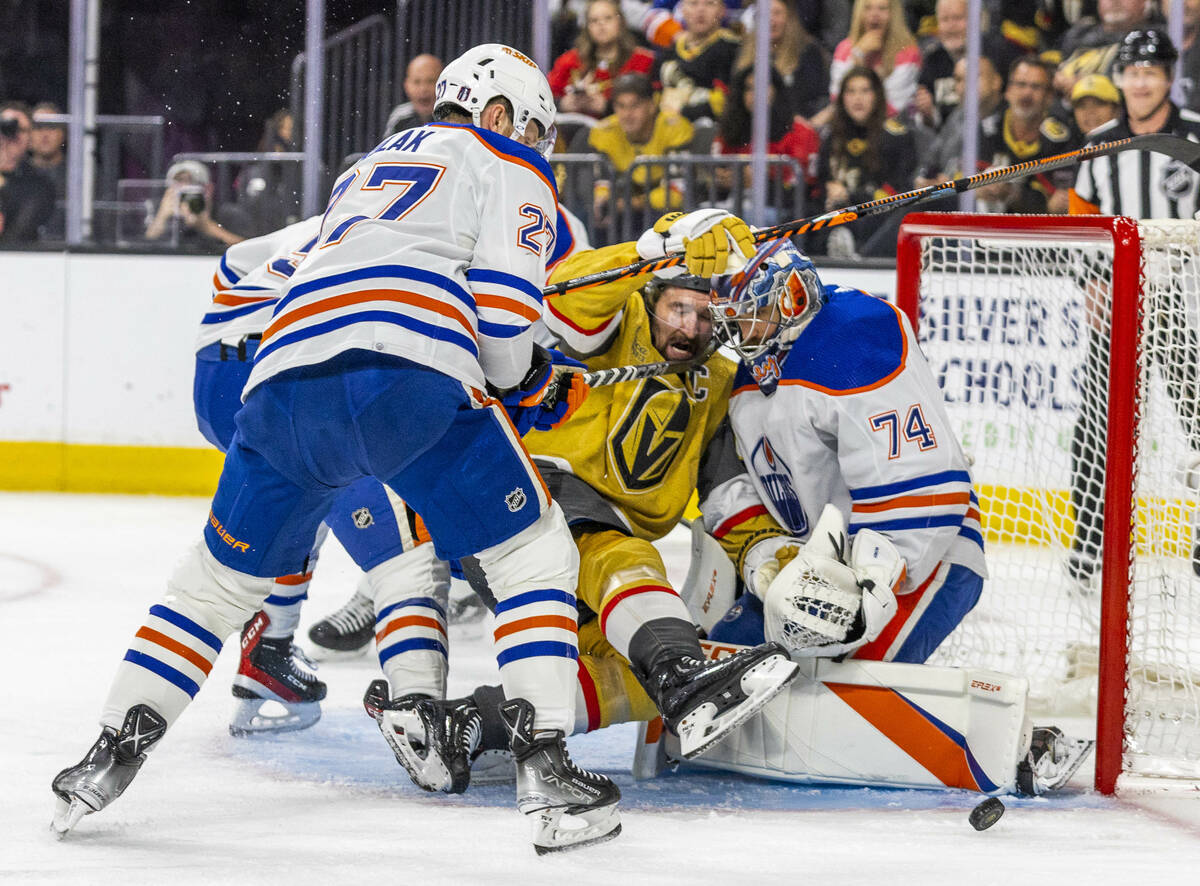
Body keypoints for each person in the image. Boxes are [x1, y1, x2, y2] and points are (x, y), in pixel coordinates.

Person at [51, 43, 622, 855]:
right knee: (533, 556)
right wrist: (534, 380)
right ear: (497, 115)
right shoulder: (508, 162)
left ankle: (106, 754)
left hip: (280, 385)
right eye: (533, 127)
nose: (538, 145)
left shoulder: (365, 169)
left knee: (211, 586)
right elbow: (499, 326)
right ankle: (548, 770)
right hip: (403, 377)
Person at [372, 208, 801, 793]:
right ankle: (683, 676)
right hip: (521, 498)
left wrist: (764, 556)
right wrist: (654, 247)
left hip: (584, 555)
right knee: (623, 557)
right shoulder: (615, 323)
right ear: (651, 298)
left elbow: (726, 492)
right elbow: (566, 299)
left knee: (628, 680)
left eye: (705, 315)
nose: (690, 327)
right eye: (678, 307)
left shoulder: (720, 381)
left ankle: (461, 726)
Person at [649, 238, 1088, 798]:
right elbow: (735, 485)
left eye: (750, 316)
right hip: (811, 574)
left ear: (788, 299)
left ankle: (1024, 747)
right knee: (718, 680)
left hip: (924, 560)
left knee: (828, 698)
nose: (737, 335)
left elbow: (923, 487)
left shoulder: (855, 334)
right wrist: (768, 561)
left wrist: (866, 586)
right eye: (728, 321)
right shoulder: (750, 376)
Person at [1068, 28, 1200, 582]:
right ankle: (1090, 540)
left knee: (1198, 419)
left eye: (1150, 72)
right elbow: (1082, 222)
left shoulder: (1194, 137)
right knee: (1097, 423)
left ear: (1169, 77)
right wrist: (1094, 284)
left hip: (1185, 303)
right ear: (1120, 78)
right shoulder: (1100, 142)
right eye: (1131, 72)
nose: (1140, 82)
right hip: (1119, 300)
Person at [814, 66, 918, 258]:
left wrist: (851, 196)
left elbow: (897, 191)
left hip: (875, 216)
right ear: (842, 97)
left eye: (865, 91)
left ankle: (851, 249)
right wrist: (829, 191)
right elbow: (821, 181)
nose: (857, 98)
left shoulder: (896, 137)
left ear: (876, 96)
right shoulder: (831, 138)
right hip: (834, 215)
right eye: (851, 91)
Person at [712, 65, 820, 222]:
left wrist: (760, 181)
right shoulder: (729, 131)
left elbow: (803, 189)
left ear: (776, 90)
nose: (755, 95)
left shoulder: (800, 132)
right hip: (730, 205)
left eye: (762, 87)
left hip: (782, 211)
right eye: (749, 89)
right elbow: (715, 176)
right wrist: (723, 180)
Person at [587, 73, 694, 229]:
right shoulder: (604, 132)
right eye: (620, 106)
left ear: (651, 106)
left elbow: (677, 193)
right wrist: (601, 199)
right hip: (622, 209)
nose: (627, 114)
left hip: (666, 215)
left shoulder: (675, 127)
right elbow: (602, 183)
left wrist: (633, 203)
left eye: (635, 106)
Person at [975, 55, 1076, 214]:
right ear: (1008, 91)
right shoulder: (988, 130)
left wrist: (1012, 195)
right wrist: (976, 191)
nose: (1027, 93)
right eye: (1021, 84)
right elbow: (963, 179)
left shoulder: (1061, 139)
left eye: (1036, 87)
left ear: (1049, 97)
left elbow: (1060, 203)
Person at [548, 0, 655, 119]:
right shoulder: (568, 61)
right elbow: (543, 98)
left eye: (608, 18)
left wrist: (607, 107)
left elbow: (651, 107)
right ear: (586, 26)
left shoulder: (643, 60)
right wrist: (561, 104)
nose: (601, 24)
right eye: (594, 20)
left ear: (621, 21)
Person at [733, 0, 830, 124]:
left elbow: (814, 100)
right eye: (765, 13)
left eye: (777, 13)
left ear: (789, 18)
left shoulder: (808, 52)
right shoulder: (744, 52)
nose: (771, 19)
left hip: (794, 128)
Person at [828, 0, 922, 119]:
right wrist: (858, 56)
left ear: (894, 15)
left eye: (882, 8)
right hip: (850, 128)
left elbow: (893, 108)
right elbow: (838, 100)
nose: (874, 14)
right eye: (867, 8)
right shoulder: (844, 49)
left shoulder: (908, 52)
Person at [655, 0, 742, 121]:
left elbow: (724, 102)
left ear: (722, 11)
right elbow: (654, 97)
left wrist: (681, 114)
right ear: (682, 10)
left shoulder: (731, 49)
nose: (701, 10)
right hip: (667, 131)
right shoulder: (669, 51)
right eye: (693, 3)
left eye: (710, 3)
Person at [145, 159, 245, 250]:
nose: (184, 188)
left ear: (208, 189)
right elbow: (141, 249)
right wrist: (161, 218)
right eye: (178, 182)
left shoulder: (228, 214)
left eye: (191, 183)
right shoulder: (159, 211)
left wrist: (207, 226)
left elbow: (246, 248)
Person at [0, 101, 55, 243]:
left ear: (30, 139)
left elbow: (20, 233)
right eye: (6, 128)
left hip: (19, 259)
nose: (13, 136)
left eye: (21, 130)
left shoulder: (40, 185)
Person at [383, 54, 443, 136]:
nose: (423, 89)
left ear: (443, 85)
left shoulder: (454, 118)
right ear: (407, 86)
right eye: (417, 82)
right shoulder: (399, 118)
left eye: (430, 81)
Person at [1069, 72, 1122, 138]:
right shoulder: (1070, 146)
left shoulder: (1132, 144)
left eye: (1098, 104)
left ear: (1116, 109)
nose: (1090, 112)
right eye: (1082, 106)